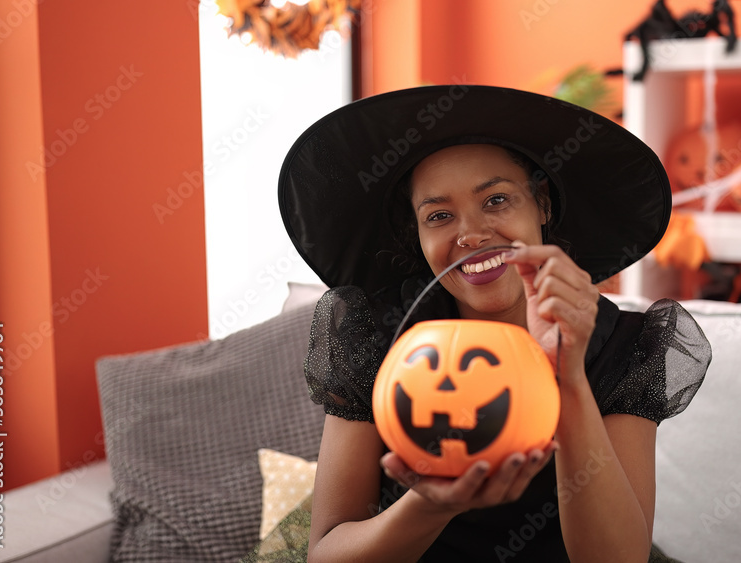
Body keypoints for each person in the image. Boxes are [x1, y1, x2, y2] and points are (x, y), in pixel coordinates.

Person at [278, 85, 711, 562]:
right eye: (439, 215)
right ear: (417, 234)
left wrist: (567, 378)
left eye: (496, 201)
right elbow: (327, 553)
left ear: (541, 204)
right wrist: (430, 504)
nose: (472, 235)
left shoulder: (626, 345)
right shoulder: (377, 336)